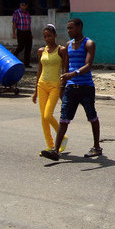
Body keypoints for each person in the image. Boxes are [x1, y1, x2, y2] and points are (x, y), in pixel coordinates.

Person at [40, 18, 103, 161]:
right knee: (64, 119)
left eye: (71, 28)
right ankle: (56, 151)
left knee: (92, 117)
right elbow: (66, 65)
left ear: (80, 27)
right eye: (67, 28)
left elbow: (88, 65)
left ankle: (97, 147)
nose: (69, 31)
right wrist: (63, 84)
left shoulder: (89, 43)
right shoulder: (68, 45)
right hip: (70, 88)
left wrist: (74, 74)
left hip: (86, 86)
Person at [32, 24, 69, 154]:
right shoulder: (41, 51)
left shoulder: (61, 50)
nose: (47, 38)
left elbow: (65, 68)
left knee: (48, 114)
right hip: (42, 85)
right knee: (43, 117)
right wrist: (35, 90)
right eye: (45, 36)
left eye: (49, 35)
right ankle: (49, 145)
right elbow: (39, 69)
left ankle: (63, 136)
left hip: (55, 85)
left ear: (55, 35)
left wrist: (63, 84)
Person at [12, 0, 33, 67]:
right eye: (22, 5)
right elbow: (14, 23)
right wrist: (13, 33)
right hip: (20, 31)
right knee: (20, 46)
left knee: (28, 47)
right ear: (20, 5)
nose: (23, 6)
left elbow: (28, 24)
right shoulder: (17, 12)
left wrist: (31, 33)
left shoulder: (27, 13)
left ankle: (26, 63)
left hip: (27, 31)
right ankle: (12, 57)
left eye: (25, 5)